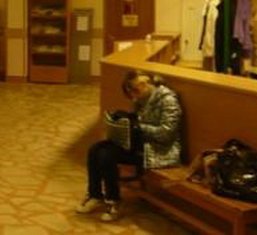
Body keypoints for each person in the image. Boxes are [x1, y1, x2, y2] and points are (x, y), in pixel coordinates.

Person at [76, 70, 182, 222]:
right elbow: (137, 122)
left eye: (135, 91)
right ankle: (95, 194)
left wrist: (138, 127)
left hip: (158, 150)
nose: (133, 96)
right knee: (95, 149)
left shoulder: (168, 100)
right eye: (131, 93)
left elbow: (167, 134)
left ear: (146, 84)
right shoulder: (141, 99)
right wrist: (123, 123)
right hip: (140, 143)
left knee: (107, 155)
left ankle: (113, 200)